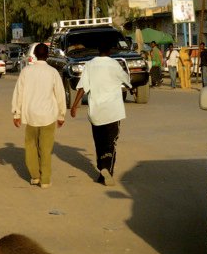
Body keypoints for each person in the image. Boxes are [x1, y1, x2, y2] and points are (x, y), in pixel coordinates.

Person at [70, 41, 131, 186]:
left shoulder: (90, 65)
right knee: (111, 142)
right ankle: (106, 170)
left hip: (96, 112)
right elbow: (127, 80)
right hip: (112, 111)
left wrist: (74, 105)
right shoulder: (115, 64)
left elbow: (83, 87)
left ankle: (102, 173)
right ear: (109, 51)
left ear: (98, 50)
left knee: (100, 142)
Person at [11, 43, 66, 189]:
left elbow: (19, 92)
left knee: (31, 147)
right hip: (48, 116)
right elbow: (60, 94)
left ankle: (35, 176)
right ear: (47, 55)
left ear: (34, 54)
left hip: (31, 115)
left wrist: (17, 113)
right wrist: (61, 115)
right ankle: (45, 179)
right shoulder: (53, 72)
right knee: (45, 149)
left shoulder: (26, 71)